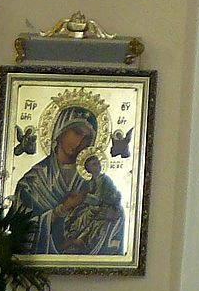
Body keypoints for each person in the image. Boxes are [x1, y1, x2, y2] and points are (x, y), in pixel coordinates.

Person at [13, 104, 125, 259]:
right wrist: (61, 210)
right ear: (60, 130)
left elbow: (115, 215)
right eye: (77, 132)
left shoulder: (94, 180)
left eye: (87, 138)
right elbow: (18, 234)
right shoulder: (32, 183)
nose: (80, 142)